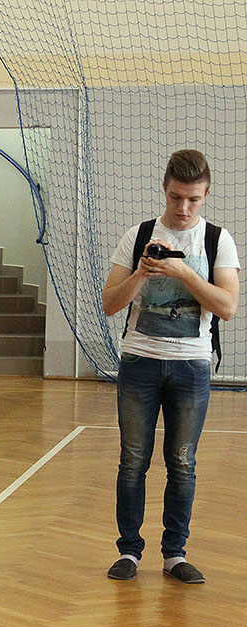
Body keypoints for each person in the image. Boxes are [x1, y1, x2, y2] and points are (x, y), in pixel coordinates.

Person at [101, 149, 240, 584]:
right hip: (139, 362)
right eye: (176, 197)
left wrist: (183, 273)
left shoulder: (217, 240)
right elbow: (109, 304)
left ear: (206, 195)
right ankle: (129, 551)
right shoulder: (139, 235)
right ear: (164, 189)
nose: (183, 208)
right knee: (132, 461)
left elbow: (228, 307)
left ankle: (174, 554)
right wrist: (142, 273)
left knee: (182, 462)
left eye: (193, 199)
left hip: (191, 366)